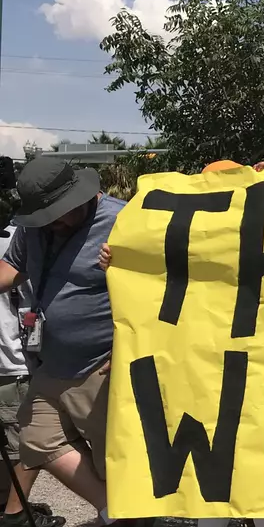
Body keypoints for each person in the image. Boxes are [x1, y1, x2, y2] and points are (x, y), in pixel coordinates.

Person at [101, 159, 264, 527]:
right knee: (214, 464)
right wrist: (120, 263)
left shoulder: (258, 233)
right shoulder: (188, 240)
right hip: (204, 368)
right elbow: (152, 290)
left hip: (254, 364)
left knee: (258, 458)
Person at [0, 157, 127, 525]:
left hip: (101, 366)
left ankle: (126, 514)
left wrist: (130, 347)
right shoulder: (35, 228)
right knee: (37, 439)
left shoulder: (124, 220)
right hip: (50, 362)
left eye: (56, 215)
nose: (50, 223)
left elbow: (161, 288)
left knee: (113, 460)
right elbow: (12, 268)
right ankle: (116, 512)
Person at [0, 227, 62, 527]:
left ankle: (9, 502)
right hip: (15, 361)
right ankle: (15, 513)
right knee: (29, 443)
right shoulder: (24, 239)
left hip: (13, 361)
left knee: (16, 442)